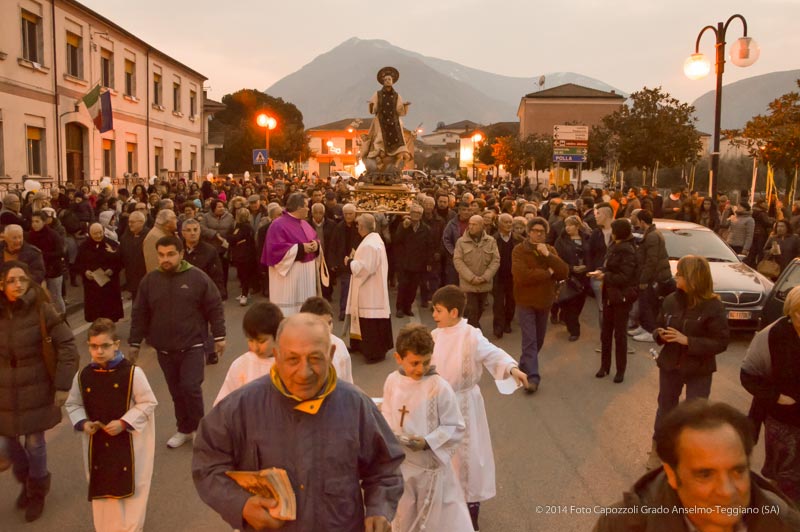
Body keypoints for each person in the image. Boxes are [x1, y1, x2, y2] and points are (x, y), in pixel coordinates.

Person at [192, 313, 405, 531]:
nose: (304, 373)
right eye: (293, 359)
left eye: (315, 358)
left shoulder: (356, 405)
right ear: (276, 355)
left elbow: (385, 468)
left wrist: (378, 509)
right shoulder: (240, 407)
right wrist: (241, 505)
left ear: (331, 354)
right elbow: (208, 466)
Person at [594, 399, 800, 532]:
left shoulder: (784, 524)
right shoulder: (623, 526)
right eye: (705, 474)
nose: (727, 491)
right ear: (672, 475)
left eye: (737, 471)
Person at [430, 285, 528, 531]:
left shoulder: (471, 335)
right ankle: (446, 509)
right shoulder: (435, 336)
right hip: (441, 405)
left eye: (438, 310)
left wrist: (511, 368)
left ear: (454, 312)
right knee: (442, 458)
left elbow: (492, 354)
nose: (433, 315)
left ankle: (471, 511)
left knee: (469, 458)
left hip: (465, 405)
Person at [129, 236, 226, 448]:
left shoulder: (197, 277)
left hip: (192, 344)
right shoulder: (149, 281)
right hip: (164, 347)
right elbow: (140, 313)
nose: (166, 259)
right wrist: (134, 343)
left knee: (190, 387)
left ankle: (199, 430)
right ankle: (183, 429)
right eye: (161, 255)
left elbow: (214, 306)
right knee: (176, 392)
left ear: (181, 254)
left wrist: (219, 336)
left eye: (171, 254)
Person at [0, 261, 78, 522]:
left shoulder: (42, 309)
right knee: (7, 442)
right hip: (4, 392)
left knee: (34, 443)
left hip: (37, 388)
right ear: (2, 285)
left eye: (22, 279)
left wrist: (62, 385)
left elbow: (67, 344)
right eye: (12, 280)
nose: (18, 285)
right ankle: (27, 481)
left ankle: (37, 493)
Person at [65, 318, 158, 532]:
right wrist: (83, 423)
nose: (99, 351)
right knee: (103, 488)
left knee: (133, 487)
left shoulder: (133, 373)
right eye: (94, 346)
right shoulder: (83, 376)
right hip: (97, 444)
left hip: (128, 443)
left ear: (116, 344)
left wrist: (124, 423)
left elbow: (148, 402)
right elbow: (73, 403)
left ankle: (132, 528)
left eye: (105, 346)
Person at [381, 323, 473, 532]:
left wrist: (427, 442)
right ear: (398, 358)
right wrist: (390, 437)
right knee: (404, 518)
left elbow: (455, 426)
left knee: (432, 522)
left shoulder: (438, 387)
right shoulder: (392, 382)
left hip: (429, 469)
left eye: (426, 362)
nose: (420, 369)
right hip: (403, 466)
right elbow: (386, 414)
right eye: (414, 363)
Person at [645, 255, 730, 470]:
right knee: (666, 409)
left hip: (699, 369)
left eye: (680, 274)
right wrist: (660, 334)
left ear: (693, 278)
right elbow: (658, 325)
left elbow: (721, 342)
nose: (676, 278)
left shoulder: (713, 306)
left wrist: (688, 341)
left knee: (696, 414)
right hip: (670, 365)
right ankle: (659, 449)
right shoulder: (670, 300)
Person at [741, 285, 800, 502]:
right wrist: (776, 396)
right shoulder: (772, 336)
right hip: (783, 419)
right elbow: (748, 375)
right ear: (789, 312)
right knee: (785, 475)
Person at [511, 217, 569, 392]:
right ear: (528, 232)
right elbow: (521, 276)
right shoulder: (519, 250)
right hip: (525, 301)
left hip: (544, 301)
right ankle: (532, 378)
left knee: (539, 340)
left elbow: (564, 271)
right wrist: (547, 272)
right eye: (535, 231)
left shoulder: (549, 249)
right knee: (530, 339)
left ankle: (523, 365)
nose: (538, 234)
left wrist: (548, 256)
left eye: (541, 232)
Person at [590, 219, 639, 383]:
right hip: (609, 295)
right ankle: (604, 366)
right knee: (605, 334)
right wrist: (600, 270)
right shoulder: (614, 246)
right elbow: (610, 267)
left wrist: (605, 275)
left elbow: (625, 277)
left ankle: (620, 370)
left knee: (619, 335)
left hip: (621, 297)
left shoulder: (628, 250)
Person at [213, 302, 284, 406]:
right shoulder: (240, 365)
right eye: (250, 340)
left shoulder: (289, 365)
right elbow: (222, 405)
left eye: (261, 341)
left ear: (278, 335)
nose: (255, 347)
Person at [346, 213, 393, 363]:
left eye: (358, 225)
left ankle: (374, 353)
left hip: (369, 291)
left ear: (361, 227)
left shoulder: (369, 245)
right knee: (368, 321)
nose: (357, 227)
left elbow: (365, 269)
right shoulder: (374, 239)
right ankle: (361, 346)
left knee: (370, 322)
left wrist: (349, 262)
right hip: (372, 289)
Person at [262, 193, 320, 316]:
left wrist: (316, 245)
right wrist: (300, 248)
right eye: (306, 206)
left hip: (306, 278)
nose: (309, 209)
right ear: (298, 208)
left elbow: (314, 237)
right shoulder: (278, 225)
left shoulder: (304, 223)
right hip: (289, 279)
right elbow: (274, 250)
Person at [630, 210, 673, 343]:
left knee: (649, 305)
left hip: (654, 277)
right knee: (645, 303)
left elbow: (651, 260)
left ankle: (651, 331)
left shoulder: (652, 236)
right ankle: (644, 327)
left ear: (642, 221)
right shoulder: (651, 234)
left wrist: (644, 279)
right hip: (653, 276)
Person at [453, 215, 500, 329]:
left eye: (474, 224)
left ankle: (471, 328)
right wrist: (471, 278)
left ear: (482, 226)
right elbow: (458, 260)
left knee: (480, 308)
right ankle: (473, 332)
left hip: (484, 282)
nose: (471, 226)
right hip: (469, 283)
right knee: (472, 309)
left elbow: (495, 260)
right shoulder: (461, 242)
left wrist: (485, 277)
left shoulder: (490, 241)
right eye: (470, 224)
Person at [76, 223, 124, 323]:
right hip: (92, 285)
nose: (98, 236)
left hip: (110, 284)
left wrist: (112, 270)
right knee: (95, 312)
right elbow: (78, 264)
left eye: (100, 233)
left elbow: (120, 261)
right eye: (95, 234)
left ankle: (110, 330)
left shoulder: (112, 244)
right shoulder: (83, 247)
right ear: (89, 234)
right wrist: (85, 272)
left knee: (110, 312)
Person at [365, 66, 411, 172]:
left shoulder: (397, 96)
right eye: (385, 80)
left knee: (397, 138)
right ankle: (378, 155)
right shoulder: (377, 94)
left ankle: (396, 155)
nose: (387, 81)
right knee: (379, 138)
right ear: (382, 82)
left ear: (393, 81)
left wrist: (405, 106)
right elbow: (373, 108)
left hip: (393, 122)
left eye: (389, 79)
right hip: (381, 121)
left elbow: (400, 111)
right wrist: (372, 105)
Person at [553, 215, 591, 341]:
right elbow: (557, 258)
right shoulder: (561, 240)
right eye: (566, 225)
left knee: (580, 303)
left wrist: (587, 267)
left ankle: (569, 320)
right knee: (570, 303)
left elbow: (592, 255)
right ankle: (574, 330)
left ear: (577, 226)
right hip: (569, 276)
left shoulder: (587, 238)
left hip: (584, 276)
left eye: (570, 225)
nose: (567, 228)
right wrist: (571, 268)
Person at [300, 296, 353, 384]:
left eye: (329, 323)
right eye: (321, 325)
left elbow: (348, 381)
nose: (327, 329)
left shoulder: (339, 345)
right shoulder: (296, 348)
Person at [393, 203, 433, 318]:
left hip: (418, 263)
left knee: (413, 287)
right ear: (410, 214)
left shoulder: (426, 229)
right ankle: (399, 308)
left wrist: (429, 262)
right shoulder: (403, 226)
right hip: (404, 262)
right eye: (413, 213)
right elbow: (396, 240)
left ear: (421, 215)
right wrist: (404, 229)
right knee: (403, 286)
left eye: (418, 213)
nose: (415, 215)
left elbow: (429, 246)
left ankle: (408, 307)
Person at [27, 211, 66, 316]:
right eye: (32, 221)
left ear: (44, 222)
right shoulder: (30, 235)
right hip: (38, 271)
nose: (34, 224)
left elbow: (61, 252)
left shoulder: (53, 234)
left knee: (55, 296)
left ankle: (62, 318)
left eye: (37, 221)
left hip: (53, 270)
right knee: (41, 297)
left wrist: (42, 254)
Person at [492, 213, 522, 339]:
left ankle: (507, 323)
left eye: (510, 222)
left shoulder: (518, 239)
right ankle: (498, 326)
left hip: (513, 276)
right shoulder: (493, 239)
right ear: (499, 224)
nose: (509, 225)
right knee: (498, 303)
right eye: (506, 222)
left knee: (511, 302)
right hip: (498, 276)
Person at [329, 203, 361, 320]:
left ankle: (355, 312)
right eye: (346, 214)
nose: (348, 216)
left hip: (357, 262)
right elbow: (333, 245)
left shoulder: (359, 227)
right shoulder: (338, 227)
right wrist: (333, 262)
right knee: (345, 287)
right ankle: (343, 311)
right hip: (344, 263)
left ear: (355, 214)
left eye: (350, 214)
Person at [200, 199, 235, 299]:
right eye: (219, 207)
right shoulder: (206, 217)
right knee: (212, 270)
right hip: (211, 248)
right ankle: (211, 291)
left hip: (224, 248)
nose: (221, 208)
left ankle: (223, 290)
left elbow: (232, 229)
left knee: (224, 270)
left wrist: (228, 239)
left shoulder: (229, 217)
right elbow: (202, 228)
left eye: (222, 206)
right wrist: (214, 234)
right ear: (213, 208)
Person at [227, 207, 259, 306]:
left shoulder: (243, 227)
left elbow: (233, 238)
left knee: (244, 276)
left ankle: (244, 295)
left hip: (244, 255)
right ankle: (244, 294)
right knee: (242, 275)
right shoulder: (243, 227)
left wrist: (234, 239)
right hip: (244, 255)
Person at [118, 210, 148, 300]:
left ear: (141, 222)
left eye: (132, 222)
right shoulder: (125, 237)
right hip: (132, 278)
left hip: (146, 278)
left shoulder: (149, 236)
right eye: (129, 222)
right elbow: (121, 255)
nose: (130, 224)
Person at [142, 209, 177, 273]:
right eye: (174, 218)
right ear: (167, 223)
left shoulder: (165, 233)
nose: (176, 221)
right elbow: (154, 267)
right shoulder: (154, 238)